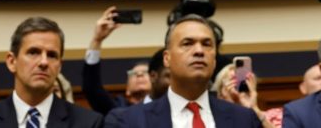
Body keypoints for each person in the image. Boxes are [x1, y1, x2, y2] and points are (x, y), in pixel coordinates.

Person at [106, 14, 262, 128]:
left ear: (214, 60)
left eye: (207, 44)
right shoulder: (128, 121)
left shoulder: (244, 119)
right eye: (188, 43)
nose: (199, 51)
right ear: (167, 58)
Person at [0, 17, 103, 128]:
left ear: (59, 66)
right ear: (11, 61)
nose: (44, 62)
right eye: (34, 53)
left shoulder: (88, 123)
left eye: (52, 55)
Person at [83, 7, 152, 116]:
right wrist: (97, 40)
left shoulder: (166, 109)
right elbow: (92, 88)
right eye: (133, 73)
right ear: (127, 90)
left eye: (145, 72)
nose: (139, 74)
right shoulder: (117, 109)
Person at [212, 64, 276, 127]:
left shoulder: (272, 116)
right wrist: (228, 106)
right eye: (232, 81)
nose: (236, 85)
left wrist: (254, 109)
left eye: (240, 81)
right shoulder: (210, 118)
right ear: (220, 92)